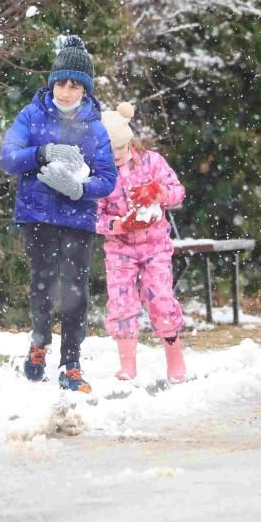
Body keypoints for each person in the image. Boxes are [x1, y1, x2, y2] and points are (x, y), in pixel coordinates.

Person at [0, 35, 118, 393]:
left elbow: (108, 178)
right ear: (52, 83)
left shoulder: (95, 127)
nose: (66, 92)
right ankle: (39, 343)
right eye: (61, 84)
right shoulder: (32, 115)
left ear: (85, 89)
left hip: (77, 219)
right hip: (36, 215)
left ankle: (72, 362)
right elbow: (8, 156)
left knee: (75, 290)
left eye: (75, 85)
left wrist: (82, 189)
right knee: (42, 283)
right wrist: (42, 152)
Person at [96, 102, 187, 382]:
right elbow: (91, 215)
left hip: (155, 245)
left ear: (129, 143)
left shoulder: (152, 162)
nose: (115, 157)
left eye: (119, 151)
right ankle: (128, 364)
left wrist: (158, 191)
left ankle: (175, 358)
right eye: (107, 152)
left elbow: (178, 191)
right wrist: (117, 224)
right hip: (119, 249)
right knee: (122, 304)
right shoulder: (97, 173)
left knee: (160, 299)